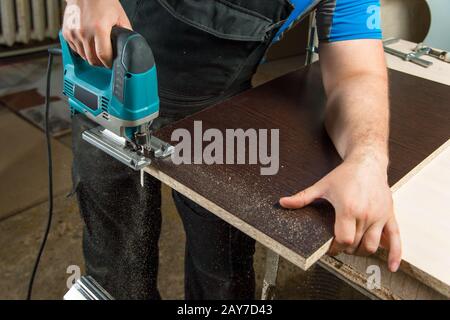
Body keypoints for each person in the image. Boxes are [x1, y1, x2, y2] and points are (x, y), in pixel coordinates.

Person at [63, 0, 401, 300]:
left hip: (219, 110)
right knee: (118, 264)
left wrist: (367, 159)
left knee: (224, 273)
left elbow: (356, 73)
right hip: (110, 90)